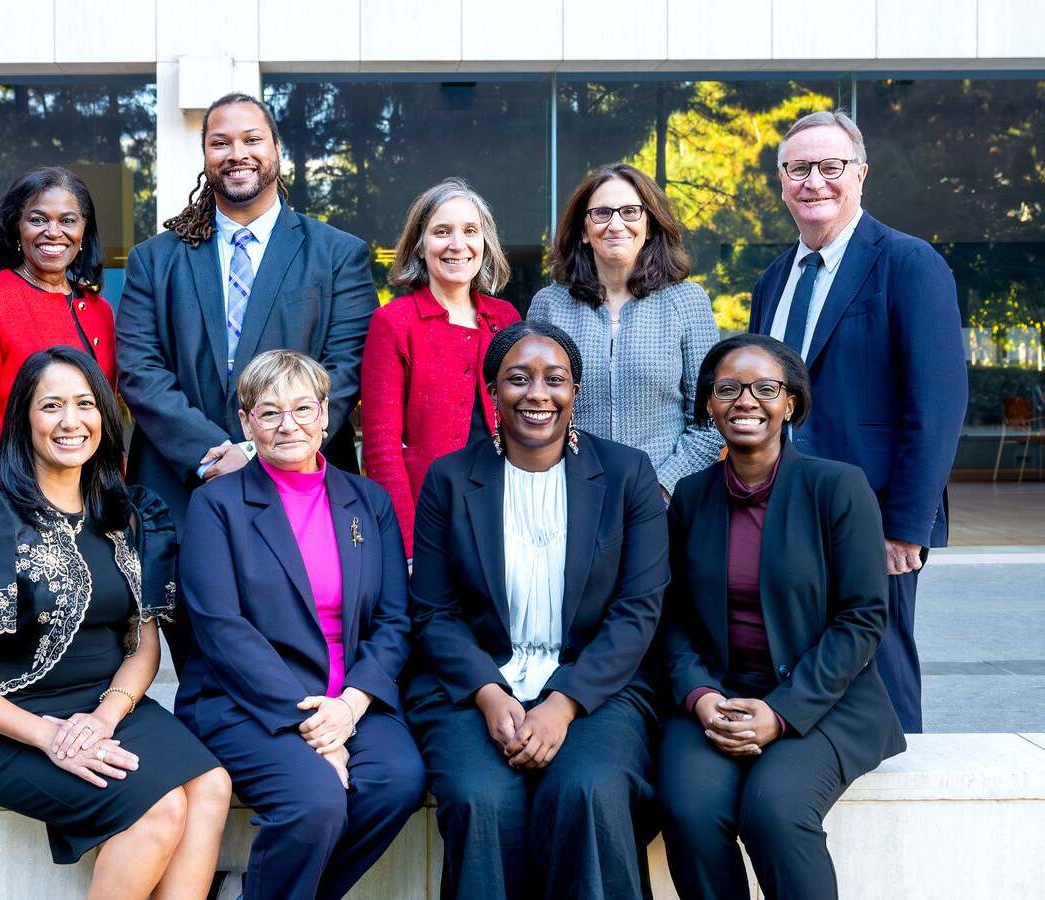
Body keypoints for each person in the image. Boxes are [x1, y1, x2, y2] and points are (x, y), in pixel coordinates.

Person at [0, 345, 231, 897]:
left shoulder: (126, 514)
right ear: (23, 420)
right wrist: (50, 736)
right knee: (157, 812)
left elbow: (141, 647)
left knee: (210, 786)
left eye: (85, 404)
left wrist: (106, 717)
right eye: (51, 406)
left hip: (106, 708)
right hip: (9, 725)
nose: (71, 422)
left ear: (105, 419)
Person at [406, 321, 669, 900]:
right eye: (518, 379)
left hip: (597, 684)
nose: (537, 395)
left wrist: (563, 704)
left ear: (575, 390)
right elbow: (433, 612)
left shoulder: (628, 476)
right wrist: (489, 692)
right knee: (480, 795)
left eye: (555, 380)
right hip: (473, 683)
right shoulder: (449, 480)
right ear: (493, 390)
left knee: (588, 789)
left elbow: (638, 611)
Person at [655, 333, 905, 900]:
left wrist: (781, 712)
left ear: (790, 402)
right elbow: (670, 620)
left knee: (774, 810)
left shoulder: (838, 487)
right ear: (710, 406)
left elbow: (863, 618)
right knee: (689, 809)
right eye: (728, 390)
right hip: (717, 698)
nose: (746, 401)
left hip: (822, 701)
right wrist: (700, 697)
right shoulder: (691, 497)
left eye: (765, 388)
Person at [176, 350, 426, 900]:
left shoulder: (369, 501)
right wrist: (314, 728)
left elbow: (392, 618)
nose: (288, 425)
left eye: (302, 408)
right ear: (246, 423)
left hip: (352, 694)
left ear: (326, 414)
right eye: (268, 413)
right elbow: (222, 629)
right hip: (248, 698)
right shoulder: (216, 505)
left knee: (395, 781)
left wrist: (352, 705)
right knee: (314, 801)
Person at [748, 110, 968, 733]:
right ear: (783, 180)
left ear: (860, 174)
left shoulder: (907, 262)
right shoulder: (773, 280)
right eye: (798, 169)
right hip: (786, 507)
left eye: (830, 166)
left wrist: (908, 526)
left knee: (883, 661)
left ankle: (905, 790)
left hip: (876, 516)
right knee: (801, 658)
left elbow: (937, 405)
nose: (814, 181)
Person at [116, 92, 377, 529]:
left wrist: (256, 451)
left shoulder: (338, 256)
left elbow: (345, 371)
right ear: (204, 155)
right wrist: (214, 454)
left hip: (302, 488)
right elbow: (139, 370)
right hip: (181, 491)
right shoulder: (155, 260)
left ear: (277, 148)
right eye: (221, 143)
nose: (237, 154)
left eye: (252, 140)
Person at [529, 163, 722, 500]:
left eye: (630, 211)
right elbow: (533, 412)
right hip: (569, 497)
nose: (615, 224)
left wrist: (661, 488)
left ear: (648, 225)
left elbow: (709, 420)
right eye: (602, 213)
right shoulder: (550, 306)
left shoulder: (687, 300)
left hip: (664, 505)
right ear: (584, 230)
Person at [360, 178, 521, 558]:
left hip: (508, 512)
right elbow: (381, 447)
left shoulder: (506, 319)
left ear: (484, 242)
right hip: (431, 519)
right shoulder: (394, 322)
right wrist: (408, 545)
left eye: (470, 231)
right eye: (441, 231)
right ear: (420, 244)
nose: (457, 244)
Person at [0, 166, 117, 483]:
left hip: (89, 496)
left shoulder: (99, 310)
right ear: (16, 228)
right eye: (38, 219)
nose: (54, 232)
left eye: (67, 220)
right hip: (13, 495)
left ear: (83, 230)